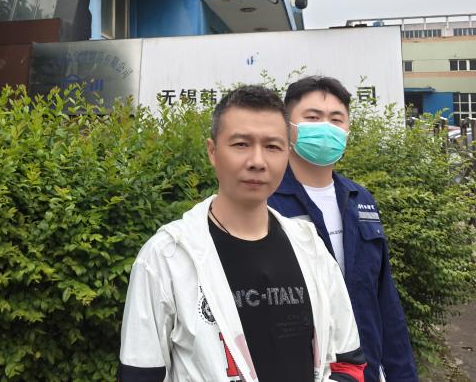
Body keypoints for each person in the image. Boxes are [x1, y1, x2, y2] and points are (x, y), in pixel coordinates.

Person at [118, 85, 366, 382]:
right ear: (212, 152)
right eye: (241, 144)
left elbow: (348, 363)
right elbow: (140, 374)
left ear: (287, 154)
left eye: (272, 147)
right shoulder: (166, 256)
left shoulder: (310, 247)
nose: (257, 161)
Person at [268, 76, 418, 382]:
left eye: (336, 119)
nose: (326, 127)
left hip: (366, 368)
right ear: (287, 126)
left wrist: (402, 374)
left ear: (347, 129)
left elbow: (384, 299)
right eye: (313, 118)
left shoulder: (360, 200)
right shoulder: (266, 202)